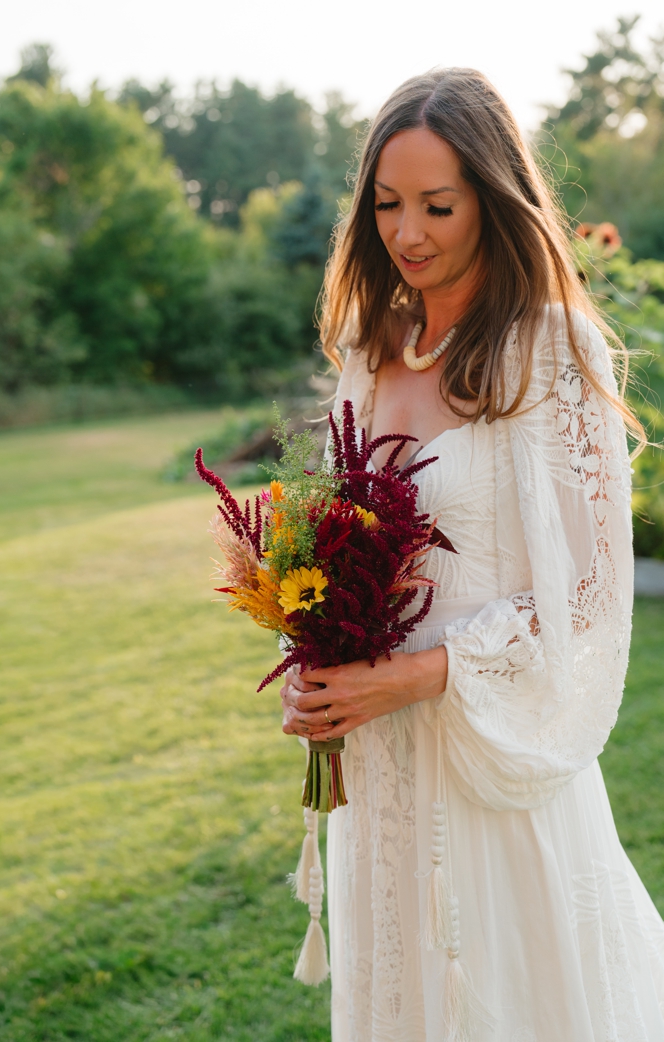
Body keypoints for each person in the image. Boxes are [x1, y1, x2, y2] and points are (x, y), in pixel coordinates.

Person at [279, 69, 664, 1040]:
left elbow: (586, 601)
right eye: (385, 204)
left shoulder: (550, 351)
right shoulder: (369, 352)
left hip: (493, 755)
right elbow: (336, 543)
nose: (405, 233)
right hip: (379, 766)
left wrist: (415, 675)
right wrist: (313, 661)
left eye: (436, 205)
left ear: (491, 201)